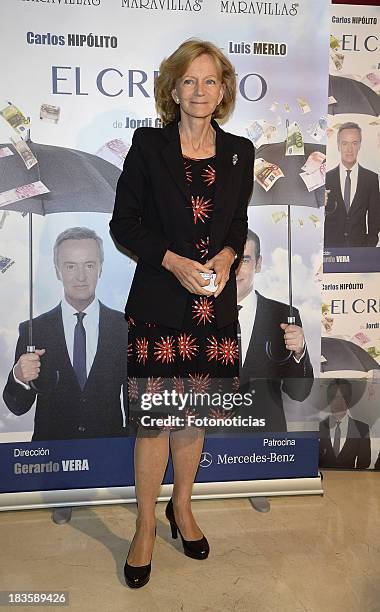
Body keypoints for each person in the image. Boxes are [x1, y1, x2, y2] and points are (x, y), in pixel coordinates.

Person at [109, 39, 254, 588]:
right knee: (155, 425)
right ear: (173, 90)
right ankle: (145, 526)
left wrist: (226, 253)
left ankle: (182, 508)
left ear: (224, 91)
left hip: (213, 310)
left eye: (210, 81)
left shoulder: (241, 152)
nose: (200, 91)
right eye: (189, 81)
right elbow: (124, 225)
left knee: (193, 420)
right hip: (159, 307)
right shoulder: (148, 146)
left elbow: (237, 222)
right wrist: (171, 261)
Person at [3, 227, 128, 441]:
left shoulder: (124, 327)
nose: (81, 276)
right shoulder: (33, 330)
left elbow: (136, 407)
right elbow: (17, 407)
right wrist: (19, 377)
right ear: (57, 271)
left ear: (100, 269)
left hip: (109, 457)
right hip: (50, 461)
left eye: (89, 265)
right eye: (70, 266)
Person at [236, 229, 313, 431]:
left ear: (258, 264)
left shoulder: (284, 316)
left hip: (266, 444)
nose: (236, 269)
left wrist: (299, 353)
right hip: (211, 445)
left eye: (244, 260)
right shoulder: (200, 315)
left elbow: (299, 392)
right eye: (231, 259)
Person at [324, 122, 380, 248]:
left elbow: (375, 218)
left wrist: (369, 246)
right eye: (345, 143)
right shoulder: (325, 179)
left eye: (354, 143)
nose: (349, 149)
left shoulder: (371, 179)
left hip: (360, 251)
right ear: (338, 145)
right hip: (331, 251)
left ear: (360, 145)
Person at [319, 379, 371, 469]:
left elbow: (364, 462)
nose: (338, 401)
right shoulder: (319, 427)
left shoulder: (362, 429)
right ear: (329, 399)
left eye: (343, 397)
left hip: (350, 481)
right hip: (323, 480)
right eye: (334, 397)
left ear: (349, 399)